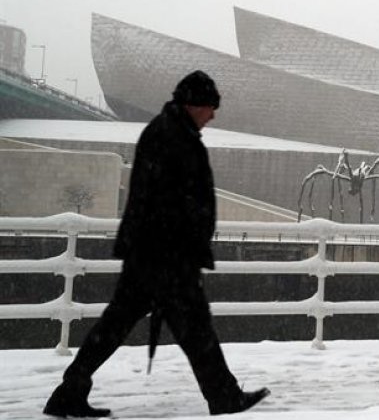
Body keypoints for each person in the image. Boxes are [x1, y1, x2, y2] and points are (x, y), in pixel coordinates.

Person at [44, 71, 269, 417]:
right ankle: (223, 396)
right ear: (194, 104)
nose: (213, 114)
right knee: (192, 329)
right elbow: (170, 200)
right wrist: (182, 243)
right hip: (166, 257)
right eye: (211, 107)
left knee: (121, 324)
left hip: (153, 254)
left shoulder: (168, 132)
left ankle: (70, 389)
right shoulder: (172, 136)